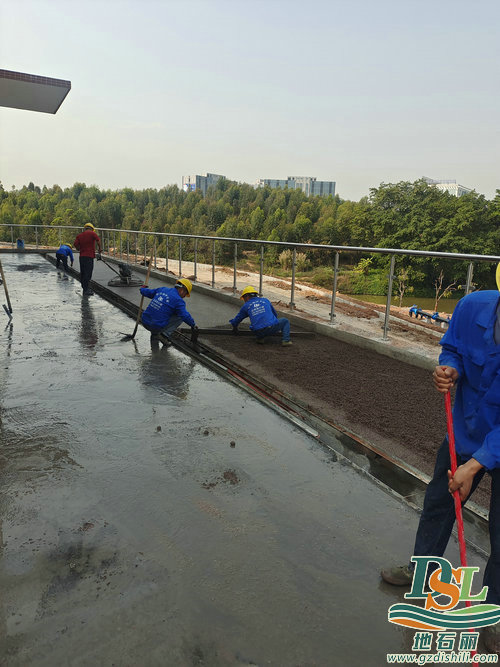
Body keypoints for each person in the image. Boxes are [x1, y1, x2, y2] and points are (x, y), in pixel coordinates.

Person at [381, 275, 500, 654]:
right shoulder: (472, 306)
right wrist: (448, 369)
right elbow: (452, 348)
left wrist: (478, 464)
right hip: (467, 430)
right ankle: (424, 571)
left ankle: (494, 608)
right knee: (439, 503)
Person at [140, 278, 197, 342]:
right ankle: (164, 335)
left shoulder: (162, 289)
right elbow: (185, 316)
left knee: (163, 310)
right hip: (155, 326)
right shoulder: (179, 301)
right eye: (185, 294)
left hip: (144, 321)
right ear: (182, 290)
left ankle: (155, 335)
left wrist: (142, 288)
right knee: (180, 316)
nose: (184, 297)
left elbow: (147, 292)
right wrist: (193, 325)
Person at [74, 223, 101, 296]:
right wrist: (100, 249)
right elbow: (98, 241)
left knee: (83, 272)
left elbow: (75, 244)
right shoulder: (92, 234)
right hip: (89, 256)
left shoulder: (79, 235)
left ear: (85, 228)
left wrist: (79, 249)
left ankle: (84, 287)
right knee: (88, 273)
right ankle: (86, 290)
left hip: (82, 256)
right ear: (92, 229)